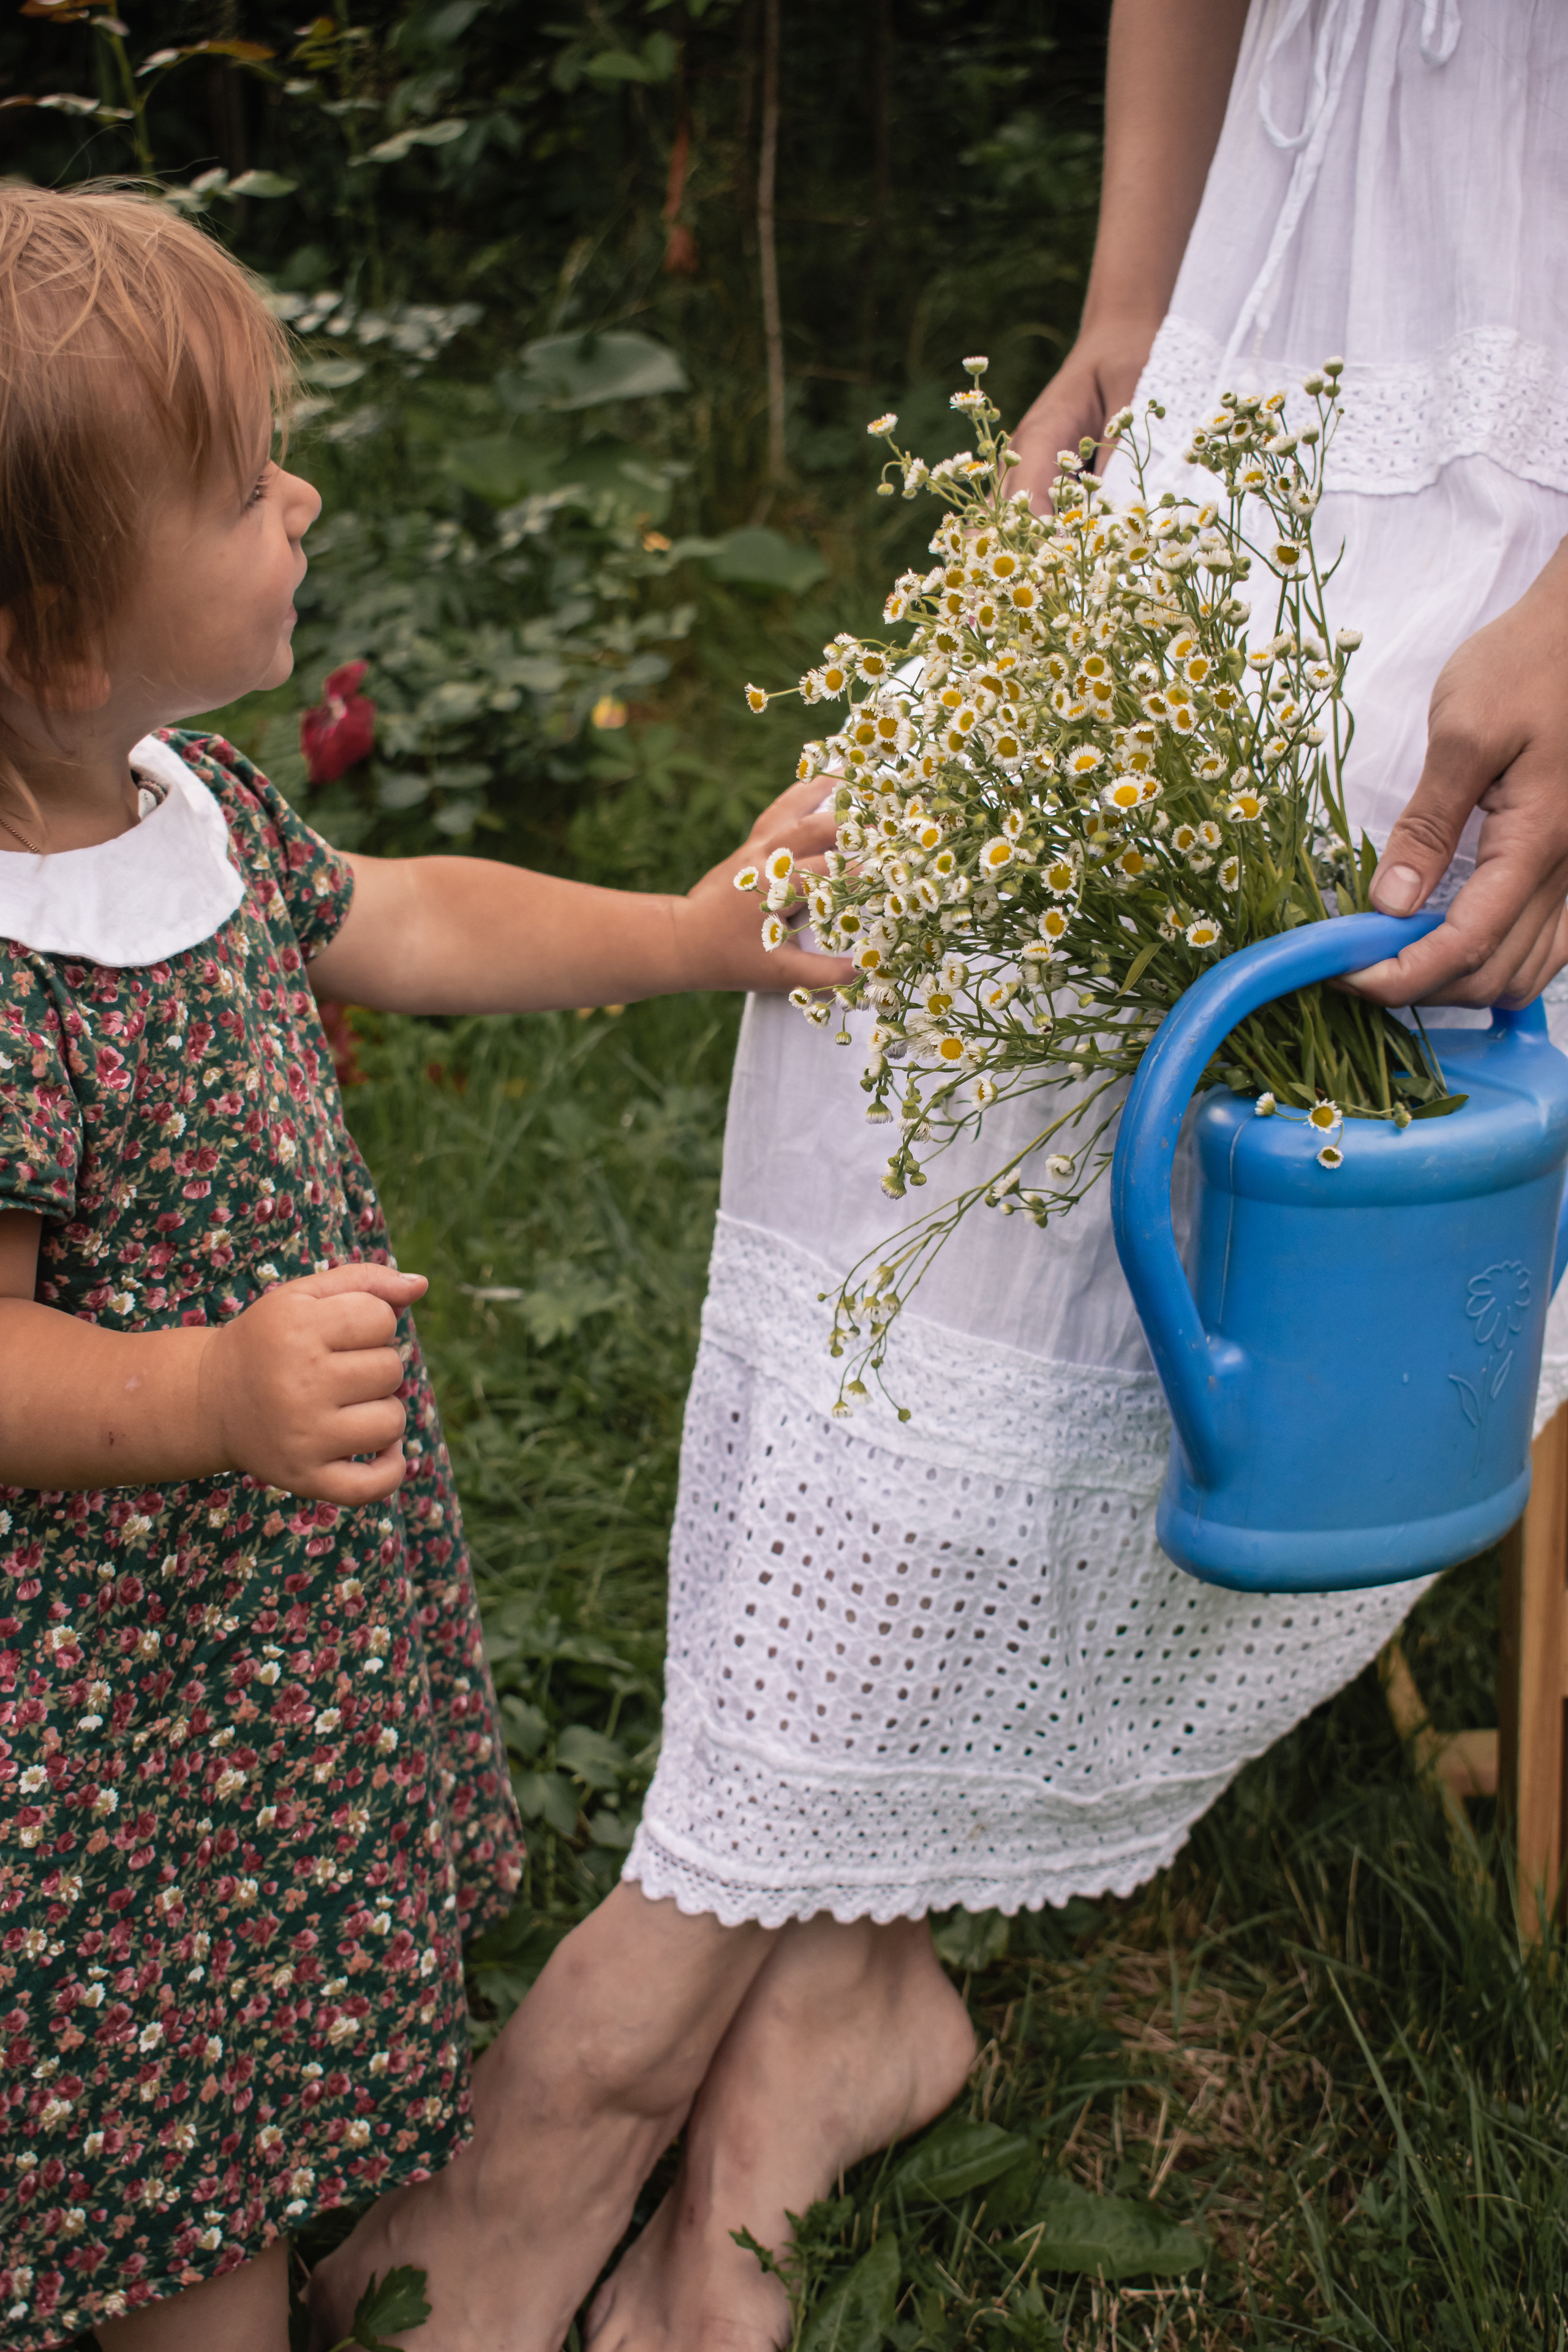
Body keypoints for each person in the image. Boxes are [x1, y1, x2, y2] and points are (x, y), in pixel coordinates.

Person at [306, 6, 1568, 2351]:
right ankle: (826, 1964)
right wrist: (1132, 310)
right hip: (1278, 312)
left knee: (1295, 893)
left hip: (1540, 471)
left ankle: (645, 2026)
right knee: (906, 883)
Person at [0, 183, 844, 2352]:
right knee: (165, 2113)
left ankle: (278, 2168)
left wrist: (692, 931)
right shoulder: (6, 968)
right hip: (98, 1693)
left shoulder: (184, 802)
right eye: (238, 487)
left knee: (265, 1965)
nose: (299, 498)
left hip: (265, 1622)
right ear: (59, 638)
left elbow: (414, 915)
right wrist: (206, 1390)